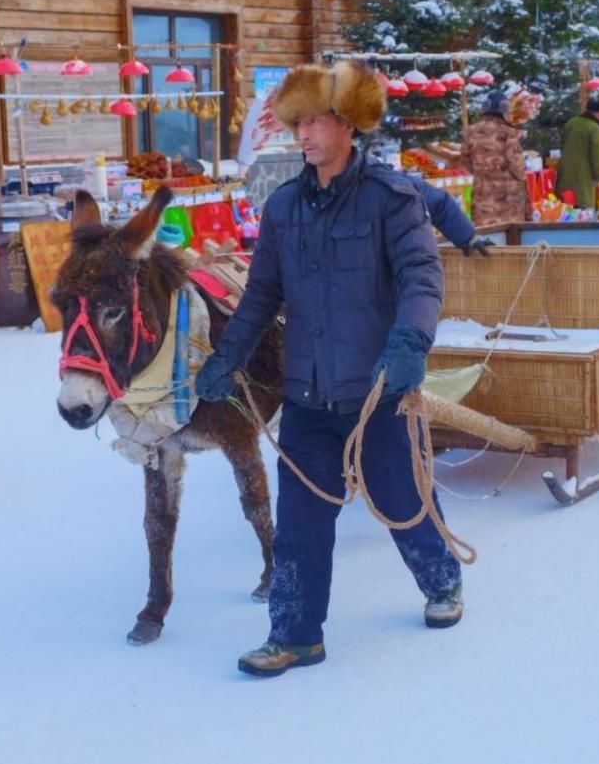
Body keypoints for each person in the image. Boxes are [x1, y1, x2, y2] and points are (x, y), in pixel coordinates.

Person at [194, 61, 463, 678]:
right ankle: (295, 635)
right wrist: (227, 356)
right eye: (298, 121)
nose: (303, 134)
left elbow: (423, 276)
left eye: (316, 120)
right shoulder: (284, 207)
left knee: (404, 503)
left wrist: (409, 343)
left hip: (378, 392)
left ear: (348, 125)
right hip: (308, 398)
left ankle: (442, 578)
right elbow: (261, 293)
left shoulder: (391, 199)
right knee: (299, 525)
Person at [462, 90, 528, 225]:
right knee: (510, 235)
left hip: (482, 193)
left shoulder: (471, 131)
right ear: (504, 110)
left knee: (486, 233)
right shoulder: (509, 132)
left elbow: (465, 159)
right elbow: (517, 167)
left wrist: (482, 172)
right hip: (507, 197)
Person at [556, 97, 599, 210]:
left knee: (565, 213)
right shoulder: (594, 129)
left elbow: (563, 146)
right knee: (582, 217)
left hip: (564, 179)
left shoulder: (570, 123)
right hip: (583, 184)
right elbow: (598, 157)